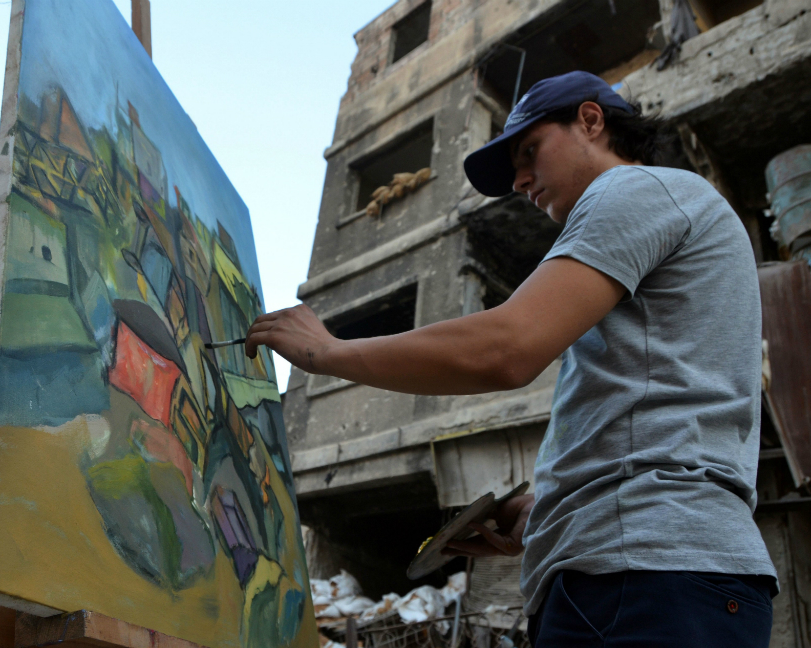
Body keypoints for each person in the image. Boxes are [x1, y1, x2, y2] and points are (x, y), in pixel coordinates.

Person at [245, 71, 778, 647]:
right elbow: (661, 410)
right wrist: (544, 508)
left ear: (591, 121)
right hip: (648, 568)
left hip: (647, 572)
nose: (521, 180)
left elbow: (508, 349)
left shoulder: (632, 191)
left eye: (530, 152)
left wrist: (329, 352)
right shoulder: (667, 210)